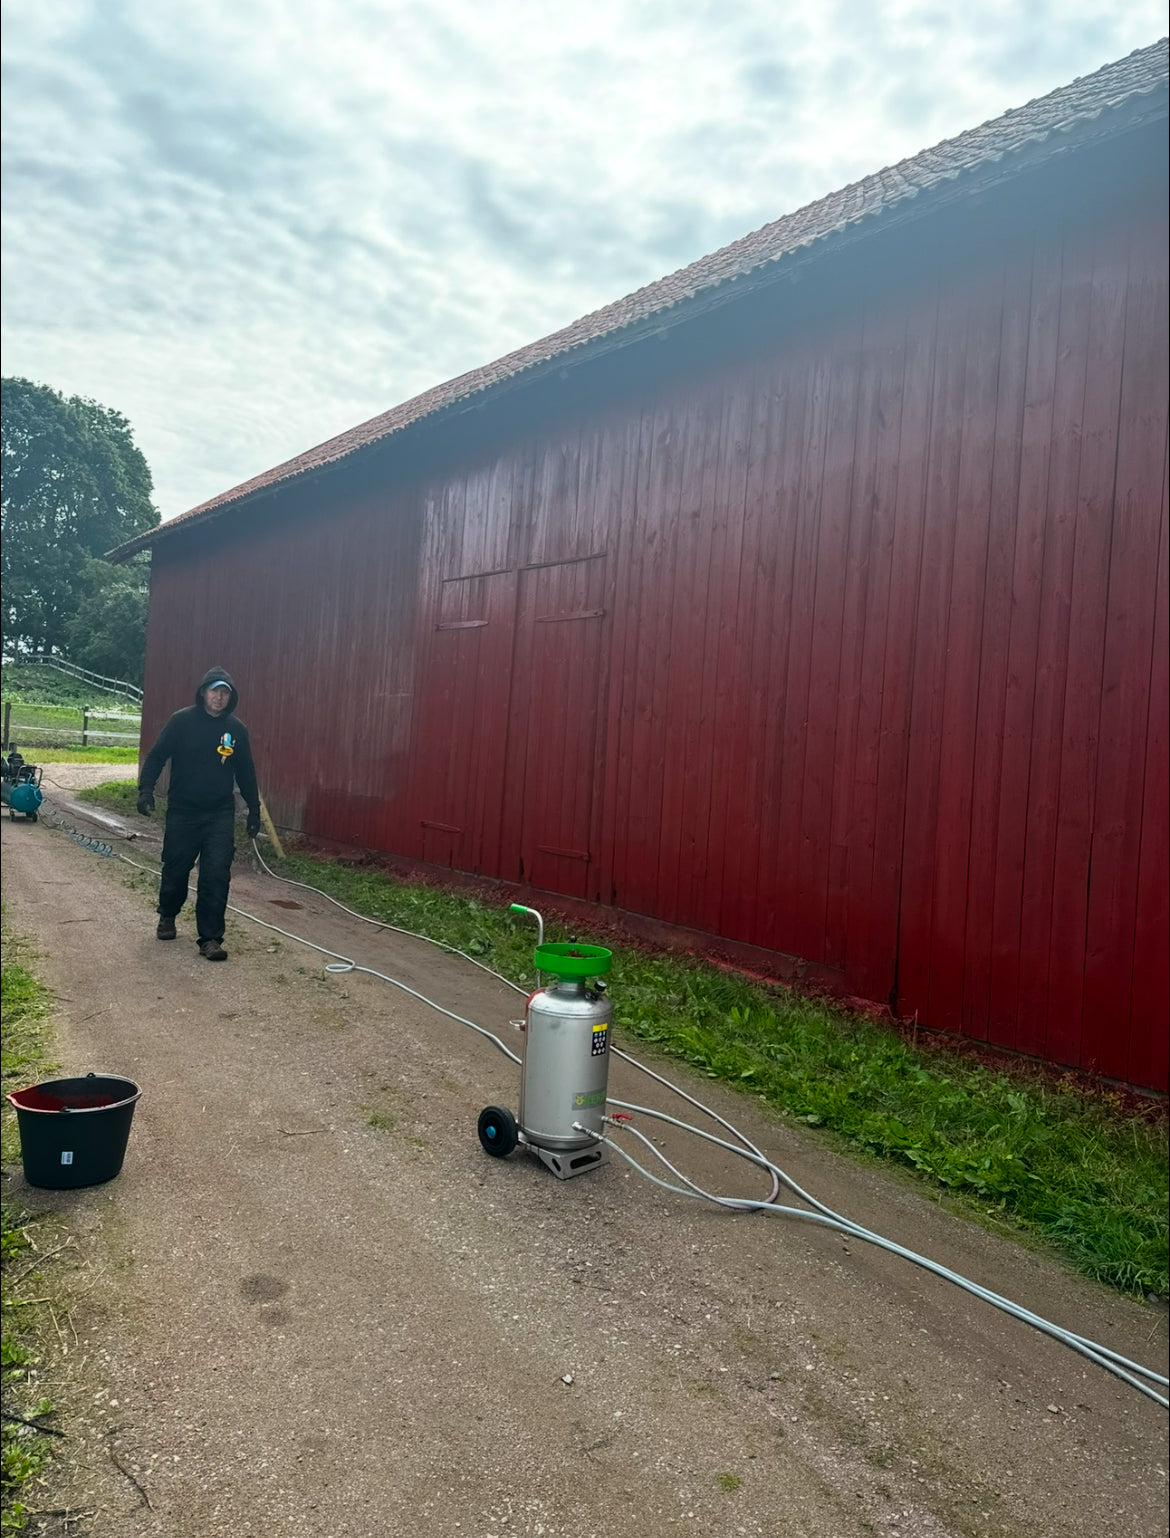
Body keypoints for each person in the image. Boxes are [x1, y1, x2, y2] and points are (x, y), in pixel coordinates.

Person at [137, 667, 261, 961]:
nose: (219, 697)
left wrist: (254, 808)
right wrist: (145, 790)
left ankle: (211, 938)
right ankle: (168, 914)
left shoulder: (236, 730)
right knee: (176, 869)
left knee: (216, 874)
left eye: (225, 692)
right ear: (203, 692)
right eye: (214, 690)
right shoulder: (182, 722)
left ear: (230, 697)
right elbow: (157, 756)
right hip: (183, 810)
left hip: (219, 812)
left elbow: (246, 772)